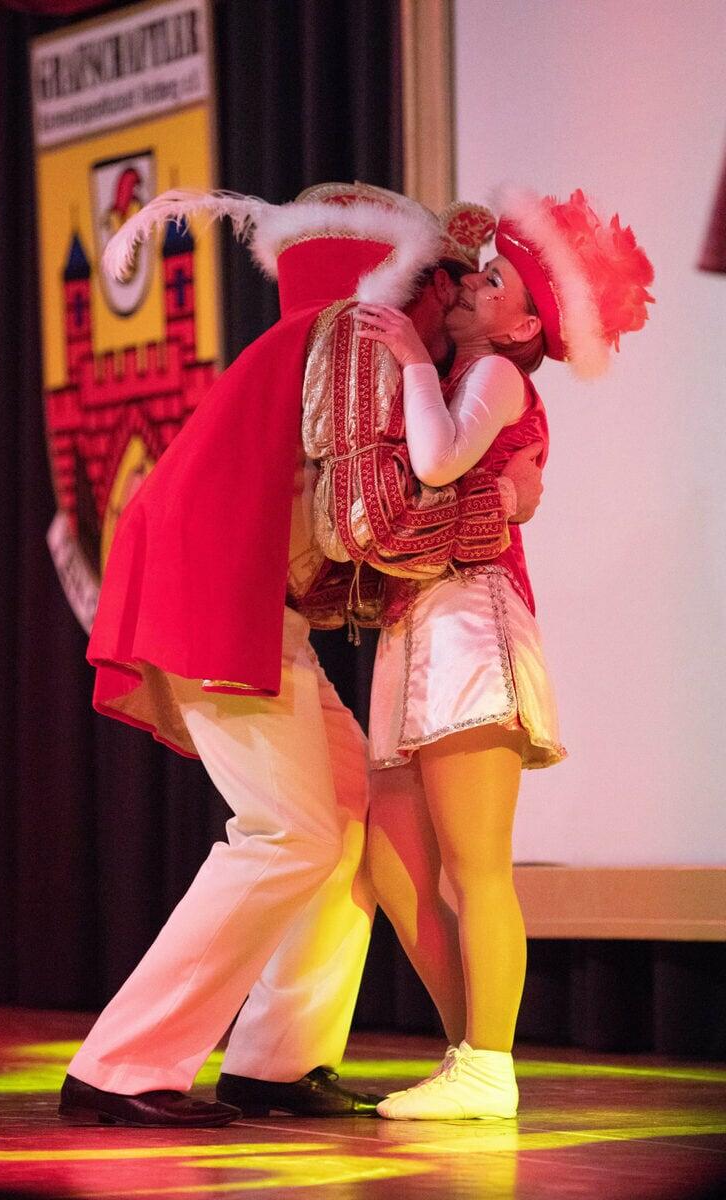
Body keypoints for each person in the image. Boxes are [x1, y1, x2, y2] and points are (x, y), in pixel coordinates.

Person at [57, 183, 544, 1126]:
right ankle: (122, 1066)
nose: (453, 296)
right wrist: (500, 505)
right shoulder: (358, 334)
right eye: (446, 277)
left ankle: (276, 1061)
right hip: (215, 598)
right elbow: (368, 523)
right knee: (289, 830)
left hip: (239, 601)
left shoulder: (317, 337)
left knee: (347, 807)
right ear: (406, 274)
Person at [347, 186, 654, 1120]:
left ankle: (490, 1062)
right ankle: (467, 1056)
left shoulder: (498, 380)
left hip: (469, 627)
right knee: (394, 867)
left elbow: (439, 463)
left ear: (524, 326)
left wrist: (409, 360)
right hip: (417, 627)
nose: (472, 287)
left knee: (474, 864)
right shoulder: (461, 377)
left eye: (494, 282)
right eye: (477, 274)